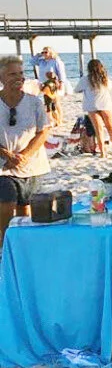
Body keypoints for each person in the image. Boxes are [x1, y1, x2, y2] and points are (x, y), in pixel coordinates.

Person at [0, 56, 50, 248]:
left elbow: (43, 131)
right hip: (4, 167)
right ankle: (4, 247)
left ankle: (23, 249)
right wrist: (8, 155)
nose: (18, 77)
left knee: (26, 214)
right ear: (2, 77)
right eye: (12, 74)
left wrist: (24, 156)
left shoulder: (34, 102)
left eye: (21, 73)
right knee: (6, 205)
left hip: (32, 165)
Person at [74, 58, 112, 156]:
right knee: (110, 128)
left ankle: (103, 152)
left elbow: (76, 90)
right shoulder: (104, 78)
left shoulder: (85, 79)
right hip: (105, 104)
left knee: (99, 129)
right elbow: (110, 87)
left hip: (91, 105)